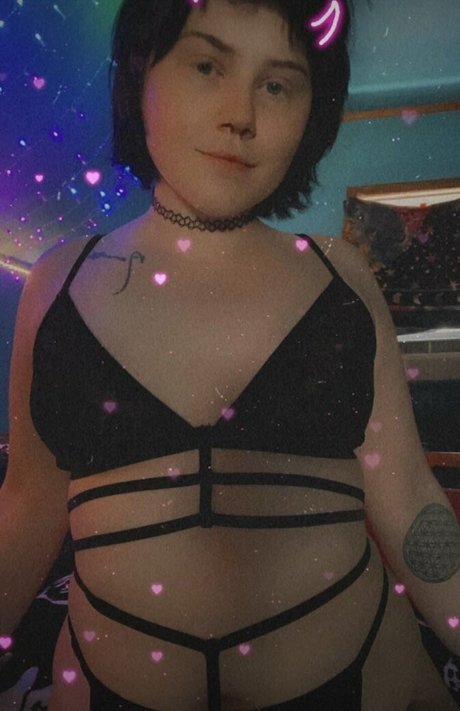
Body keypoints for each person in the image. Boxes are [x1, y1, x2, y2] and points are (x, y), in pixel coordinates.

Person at [1, 0, 459, 709]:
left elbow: (406, 496)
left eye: (277, 84)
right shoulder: (58, 281)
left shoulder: (340, 275)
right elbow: (30, 504)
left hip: (360, 674)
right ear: (141, 74)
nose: (241, 115)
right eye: (208, 65)